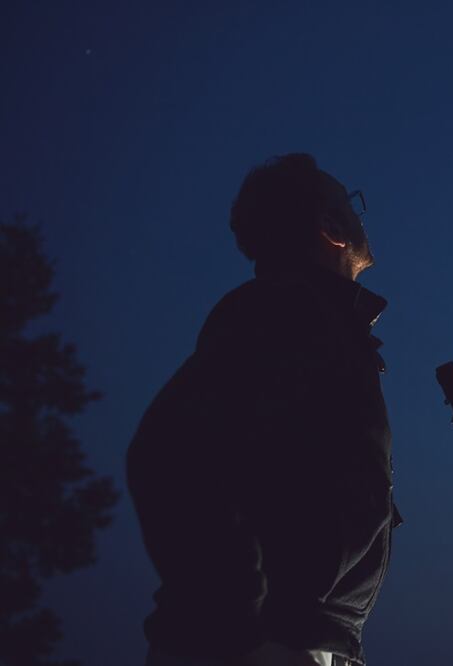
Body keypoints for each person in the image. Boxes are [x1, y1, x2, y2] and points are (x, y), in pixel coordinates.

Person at [127, 153, 398, 666]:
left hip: (298, 633)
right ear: (331, 226)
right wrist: (237, 624)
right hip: (266, 638)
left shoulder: (310, 320)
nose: (361, 216)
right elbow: (165, 450)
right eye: (351, 204)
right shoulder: (286, 312)